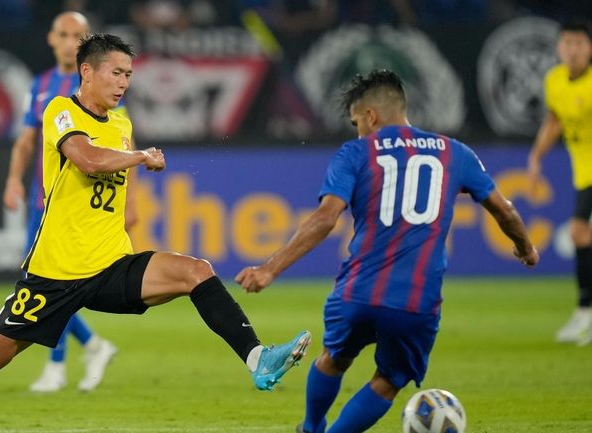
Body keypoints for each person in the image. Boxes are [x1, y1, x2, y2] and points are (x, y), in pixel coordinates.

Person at [0, 33, 311, 433]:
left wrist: (132, 209)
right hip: (54, 274)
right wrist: (138, 157)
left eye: (128, 75)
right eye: (115, 73)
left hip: (110, 265)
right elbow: (86, 159)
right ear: (87, 72)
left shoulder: (121, 123)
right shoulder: (60, 110)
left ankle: (257, 360)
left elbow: (115, 186)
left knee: (196, 270)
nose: (123, 83)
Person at [236, 69, 538, 433]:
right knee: (389, 380)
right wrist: (526, 247)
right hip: (417, 300)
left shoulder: (356, 153)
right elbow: (505, 210)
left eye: (355, 122)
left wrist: (271, 268)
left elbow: (326, 217)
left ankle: (312, 427)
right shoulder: (455, 153)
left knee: (334, 358)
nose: (357, 131)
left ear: (370, 116)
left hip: (358, 292)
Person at [3, 11, 128, 393]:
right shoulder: (40, 85)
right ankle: (90, 345)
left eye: (79, 34)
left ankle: (60, 365)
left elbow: (118, 148)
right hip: (45, 203)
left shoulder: (97, 88)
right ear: (51, 38)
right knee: (41, 283)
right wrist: (12, 180)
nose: (70, 40)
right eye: (64, 33)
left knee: (50, 284)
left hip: (79, 205)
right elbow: (26, 139)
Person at [528, 19, 592, 346]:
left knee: (580, 230)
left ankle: (585, 312)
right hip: (584, 172)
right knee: (580, 232)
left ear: (589, 47)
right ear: (559, 47)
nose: (573, 49)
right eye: (567, 43)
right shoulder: (555, 81)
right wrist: (537, 157)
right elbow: (555, 121)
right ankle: (584, 313)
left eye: (579, 43)